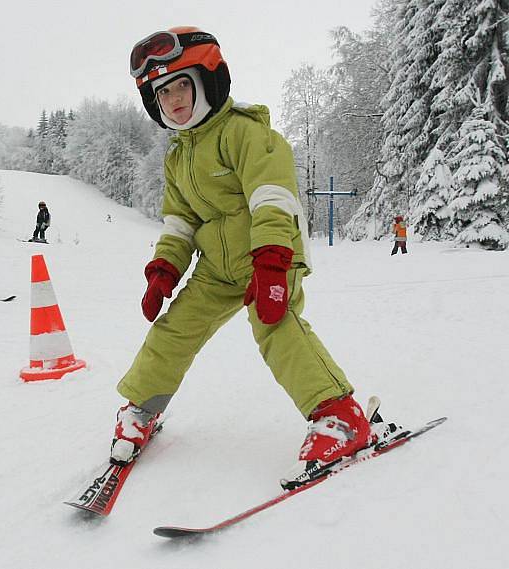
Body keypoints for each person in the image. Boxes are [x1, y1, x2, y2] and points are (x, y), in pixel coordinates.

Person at [110, 27, 379, 485]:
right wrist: (164, 270)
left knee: (276, 327)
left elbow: (272, 198)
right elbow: (180, 223)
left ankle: (340, 418)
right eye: (163, 92)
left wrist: (272, 261)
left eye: (181, 85)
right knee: (175, 329)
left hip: (269, 257)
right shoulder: (178, 159)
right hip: (216, 270)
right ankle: (142, 408)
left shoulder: (248, 134)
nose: (173, 99)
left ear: (208, 81)